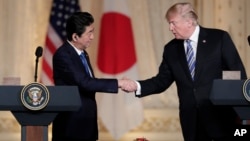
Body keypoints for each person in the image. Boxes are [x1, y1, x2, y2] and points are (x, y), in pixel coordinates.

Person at [121, 2, 247, 141]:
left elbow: (237, 73)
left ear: (189, 22)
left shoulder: (218, 38)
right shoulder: (171, 49)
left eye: (173, 23)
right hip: (191, 121)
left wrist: (240, 113)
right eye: (169, 24)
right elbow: (161, 81)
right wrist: (136, 86)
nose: (170, 28)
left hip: (220, 118)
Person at [52, 11, 129, 141]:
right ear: (75, 37)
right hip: (71, 128)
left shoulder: (82, 53)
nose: (93, 37)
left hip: (86, 125)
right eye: (89, 33)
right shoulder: (63, 55)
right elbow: (85, 82)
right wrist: (118, 83)